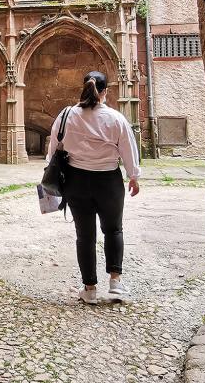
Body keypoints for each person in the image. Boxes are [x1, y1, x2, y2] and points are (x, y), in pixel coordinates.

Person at [46, 70, 140, 304]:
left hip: (77, 182)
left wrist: (50, 171)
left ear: (83, 88)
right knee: (113, 230)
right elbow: (128, 149)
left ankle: (89, 289)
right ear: (105, 92)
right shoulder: (115, 118)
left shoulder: (67, 115)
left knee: (85, 236)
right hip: (108, 181)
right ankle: (116, 284)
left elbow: (54, 146)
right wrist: (133, 176)